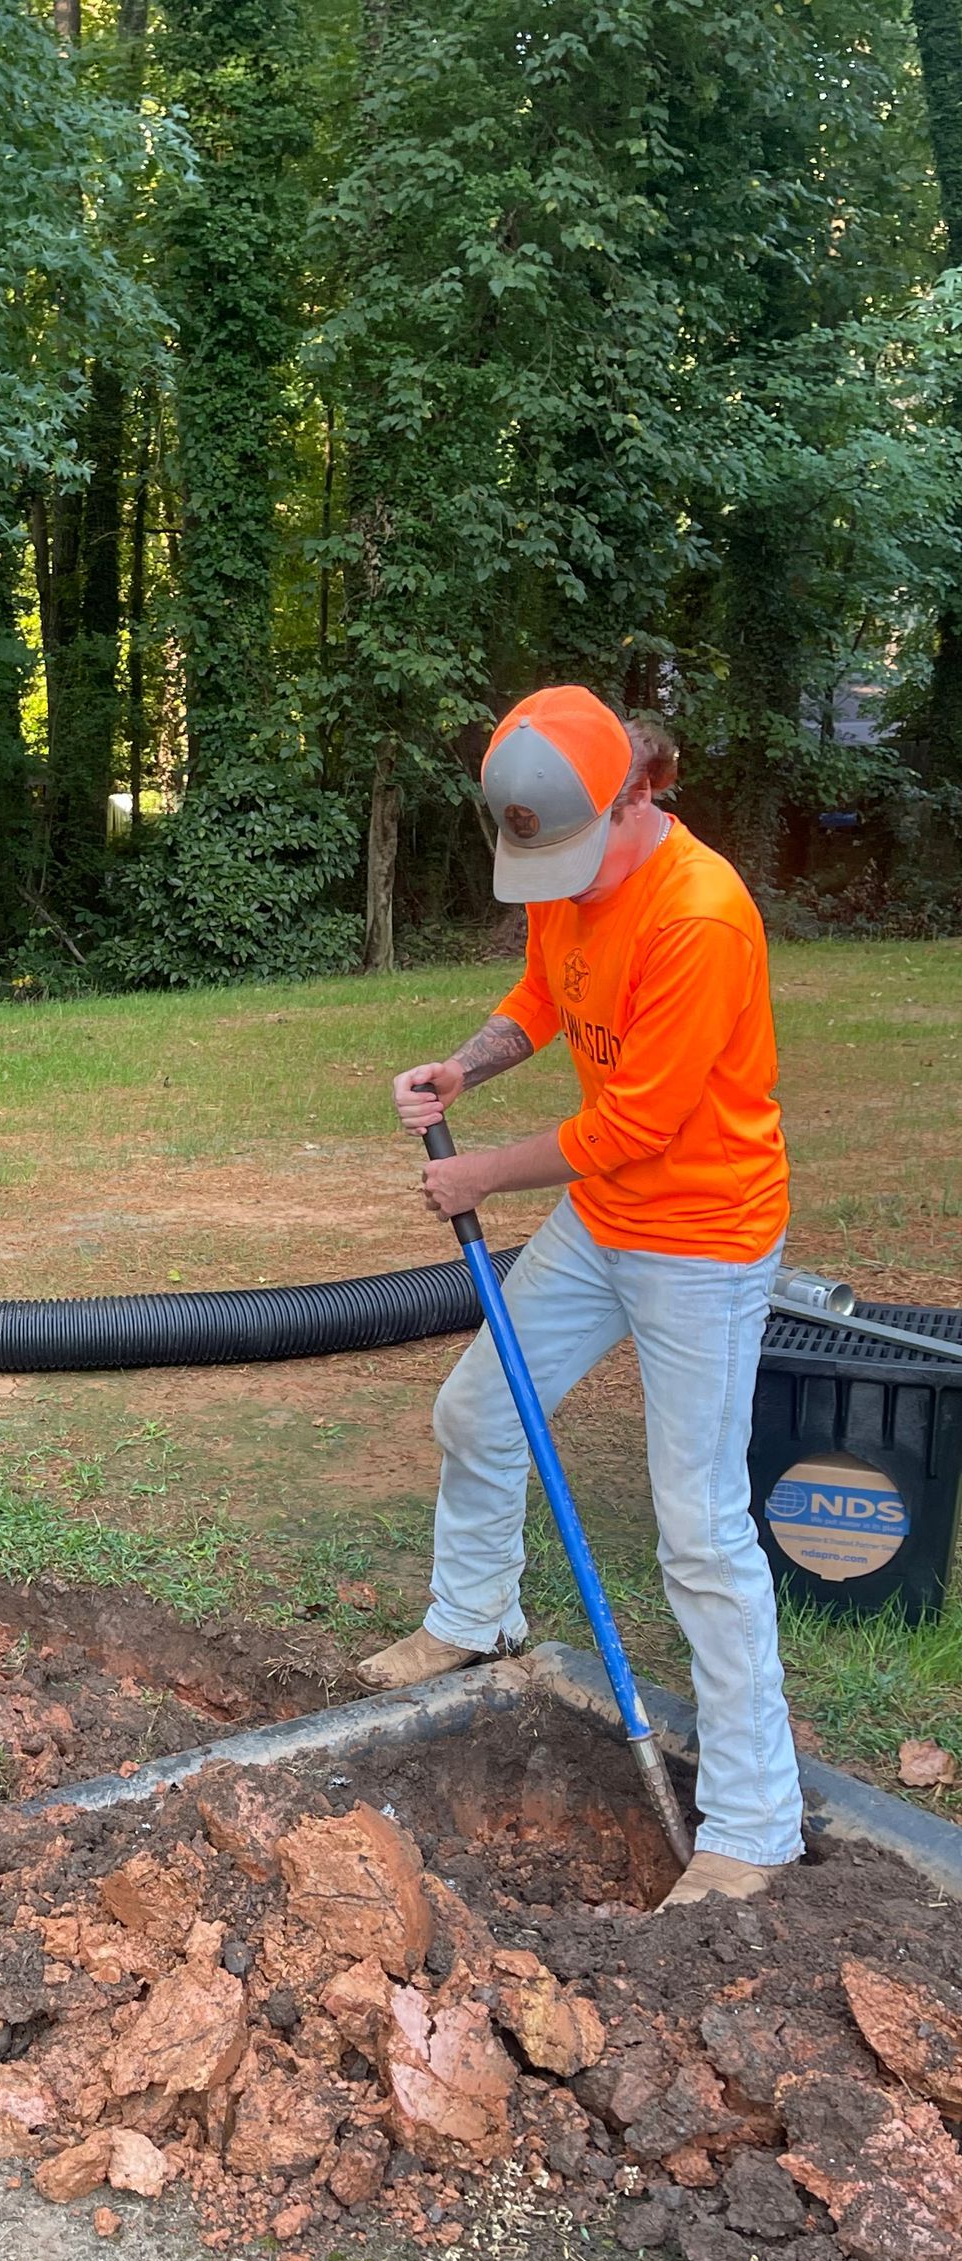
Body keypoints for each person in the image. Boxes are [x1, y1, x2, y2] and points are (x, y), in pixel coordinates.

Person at [359, 685, 803, 1911]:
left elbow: (638, 1124)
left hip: (702, 1239)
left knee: (703, 1532)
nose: (554, 879)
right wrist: (466, 1062)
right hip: (606, 1224)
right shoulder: (574, 875)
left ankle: (753, 1829)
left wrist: (480, 1174)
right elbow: (543, 1002)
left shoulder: (701, 917)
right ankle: (473, 1618)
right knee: (478, 1411)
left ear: (635, 797)